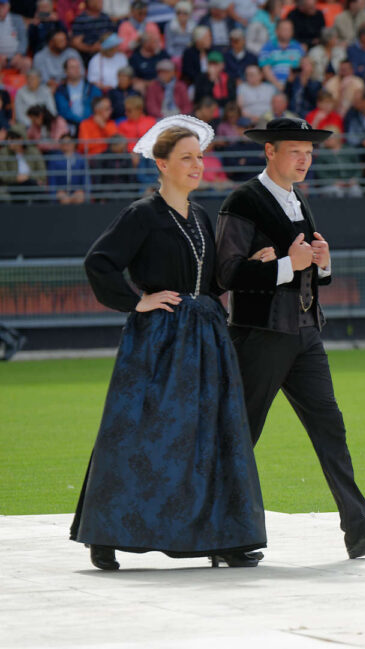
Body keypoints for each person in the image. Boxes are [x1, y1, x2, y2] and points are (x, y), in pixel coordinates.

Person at [72, 116, 268, 571]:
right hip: (159, 342)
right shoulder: (142, 214)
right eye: (186, 158)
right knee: (137, 435)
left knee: (209, 436)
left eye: (199, 157)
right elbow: (98, 263)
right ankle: (105, 534)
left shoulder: (199, 215)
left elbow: (212, 280)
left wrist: (254, 262)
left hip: (206, 339)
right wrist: (136, 302)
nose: (197, 165)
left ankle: (223, 536)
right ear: (161, 164)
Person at [214, 117, 365, 560]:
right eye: (295, 150)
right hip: (259, 336)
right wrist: (287, 264)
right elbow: (226, 273)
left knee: (330, 429)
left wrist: (320, 264)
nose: (304, 159)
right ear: (270, 151)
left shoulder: (296, 200)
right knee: (241, 436)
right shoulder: (243, 200)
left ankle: (359, 529)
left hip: (303, 334)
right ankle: (223, 535)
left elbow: (303, 270)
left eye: (309, 152)